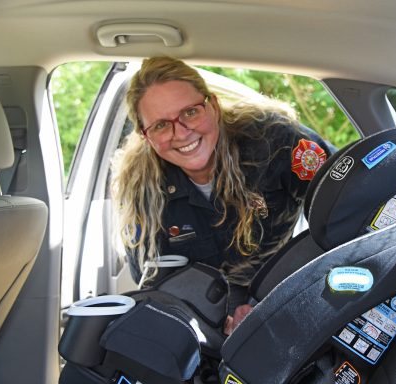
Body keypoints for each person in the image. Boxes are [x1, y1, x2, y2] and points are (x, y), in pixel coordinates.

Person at [110, 56, 334, 334]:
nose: (181, 133)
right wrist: (217, 319)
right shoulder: (141, 186)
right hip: (202, 322)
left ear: (213, 106)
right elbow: (154, 280)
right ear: (146, 136)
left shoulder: (274, 140)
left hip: (286, 297)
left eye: (190, 112)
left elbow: (342, 199)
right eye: (160, 125)